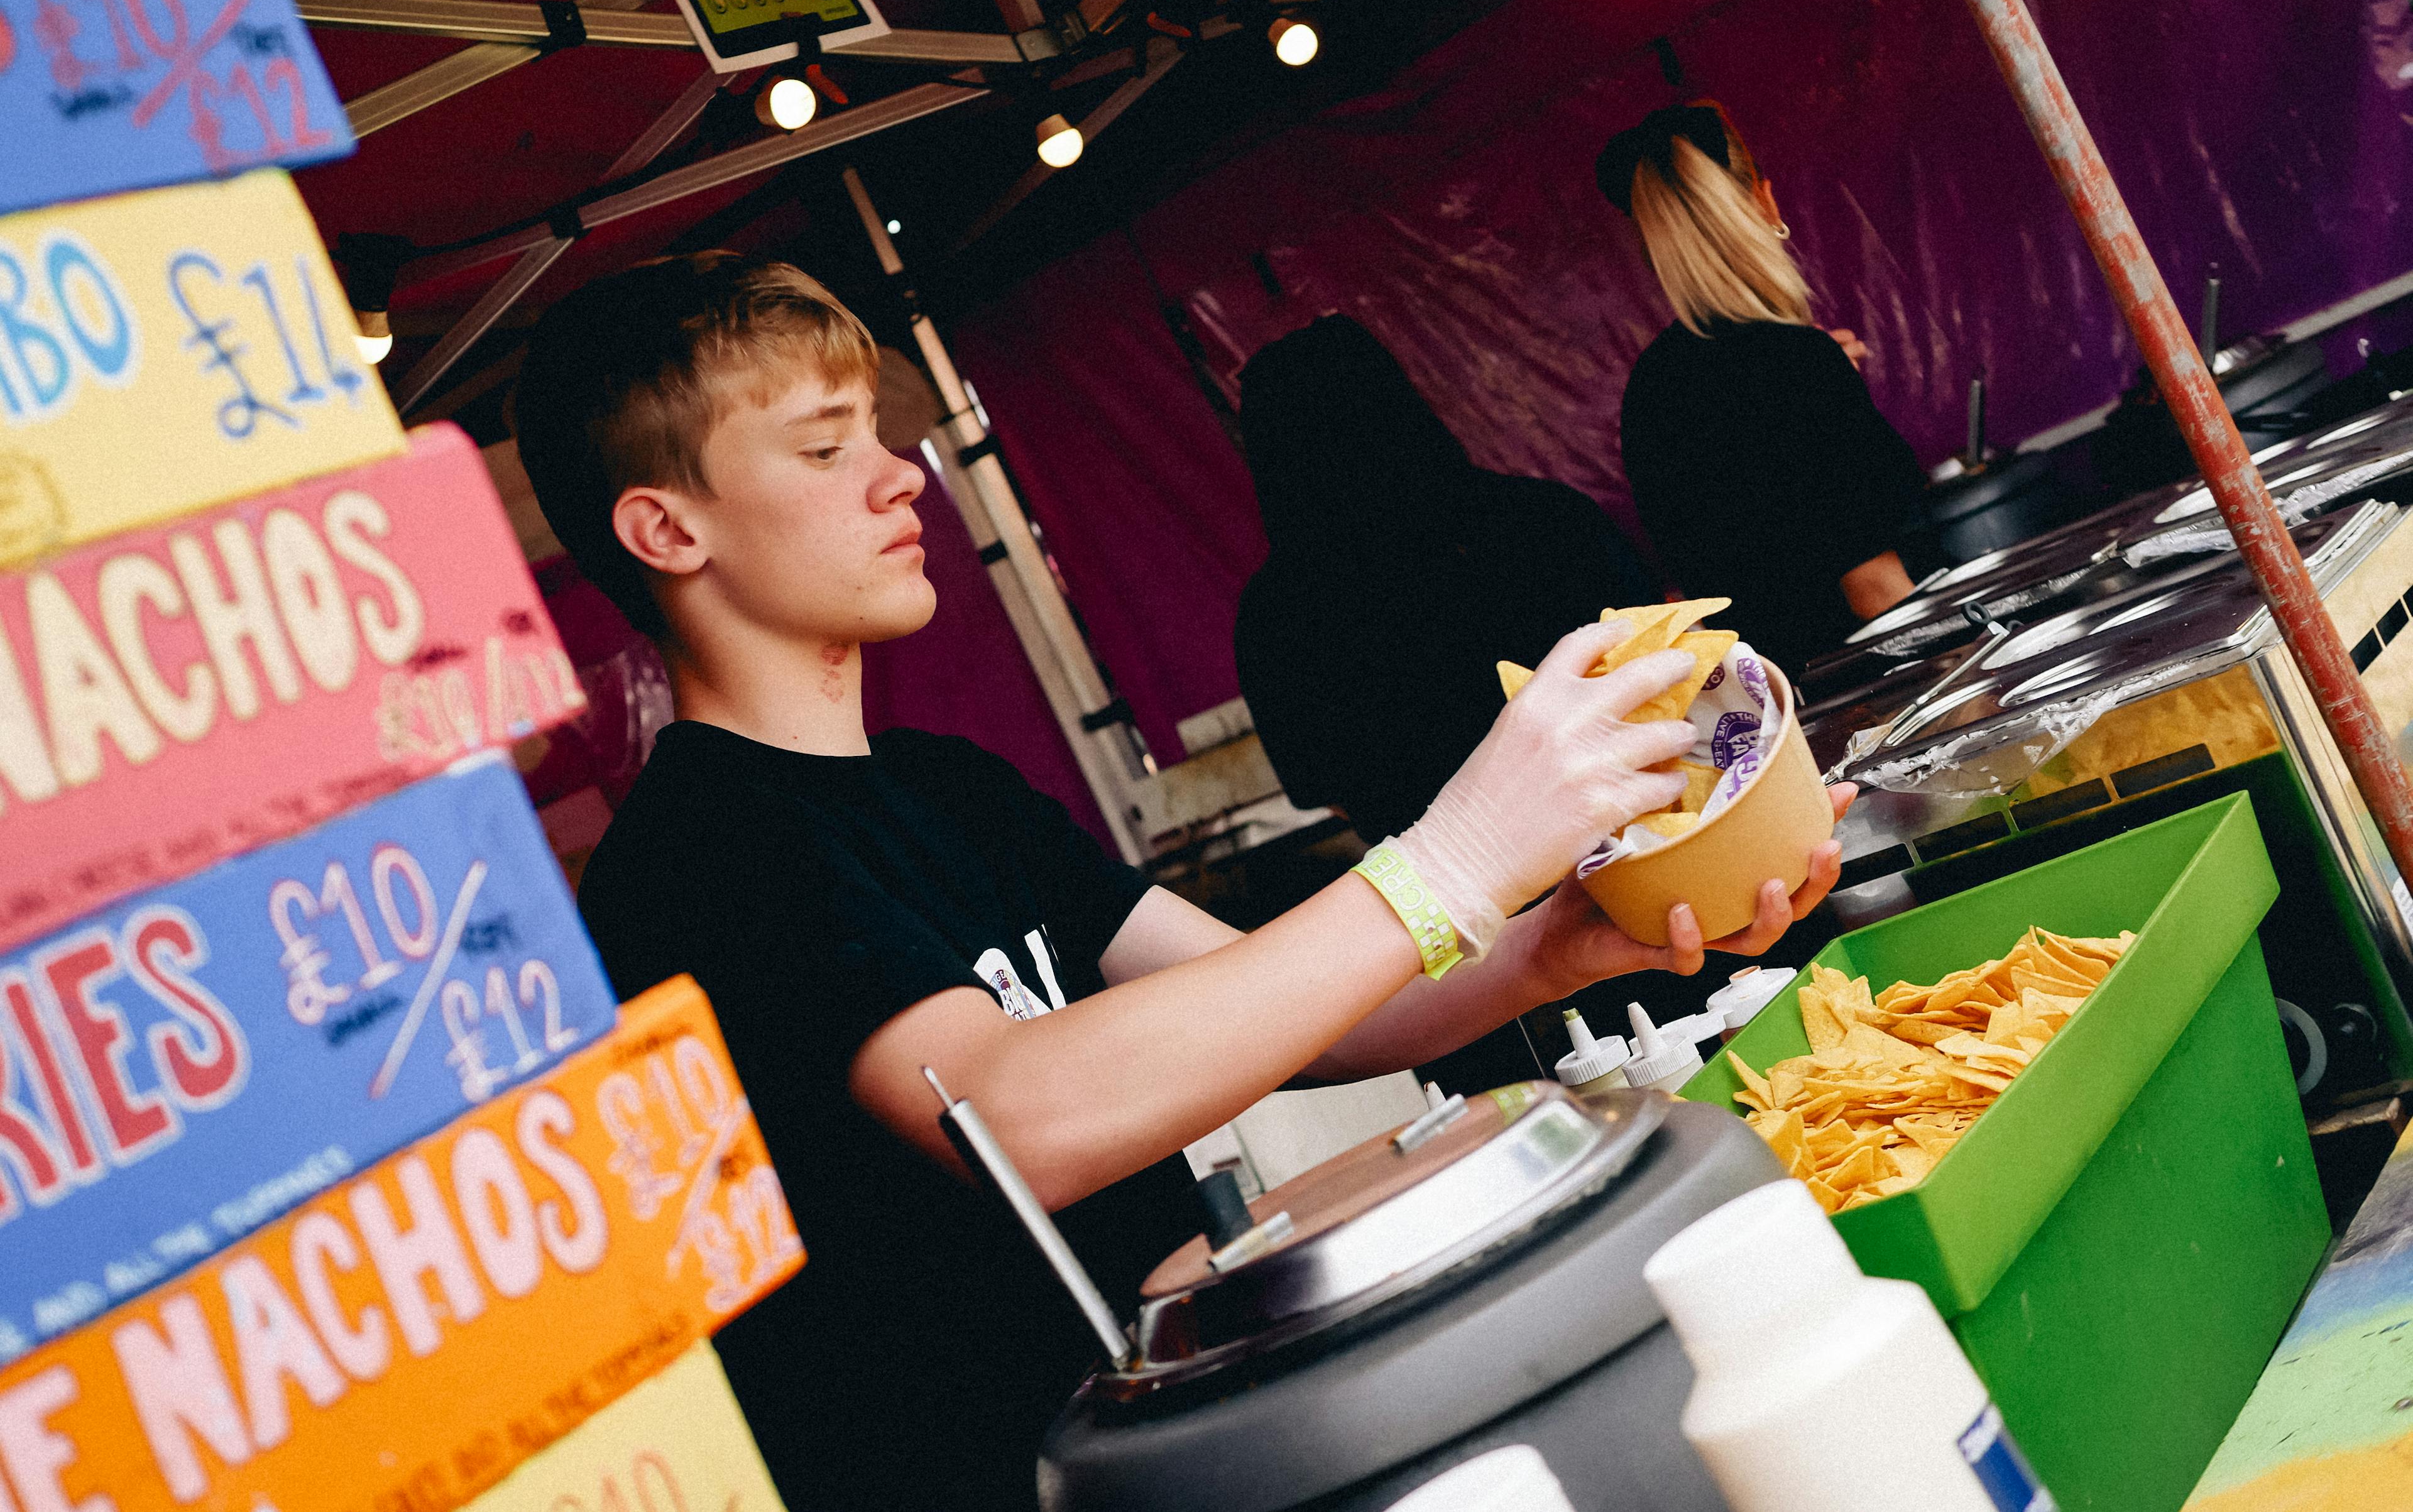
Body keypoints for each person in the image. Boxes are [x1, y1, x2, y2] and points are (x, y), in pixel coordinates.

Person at [511, 252, 1849, 1511]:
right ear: (665, 527)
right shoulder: (703, 853)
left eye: (877, 428)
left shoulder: (948, 783)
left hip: (1173, 1438)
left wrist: (1553, 941)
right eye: (822, 446)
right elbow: (1011, 1113)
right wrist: (1451, 855)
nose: (899, 474)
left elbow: (1298, 1014)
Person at [1232, 314, 1662, 1088]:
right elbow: (1662, 688)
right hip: (1638, 888)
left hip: (1454, 977)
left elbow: (1326, 794)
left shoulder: (1275, 619)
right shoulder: (1549, 524)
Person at [1606, 102, 1929, 672]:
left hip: (1778, 713)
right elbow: (1876, 590)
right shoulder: (1800, 363)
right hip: (1878, 692)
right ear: (1763, 200)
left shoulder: (1650, 391)